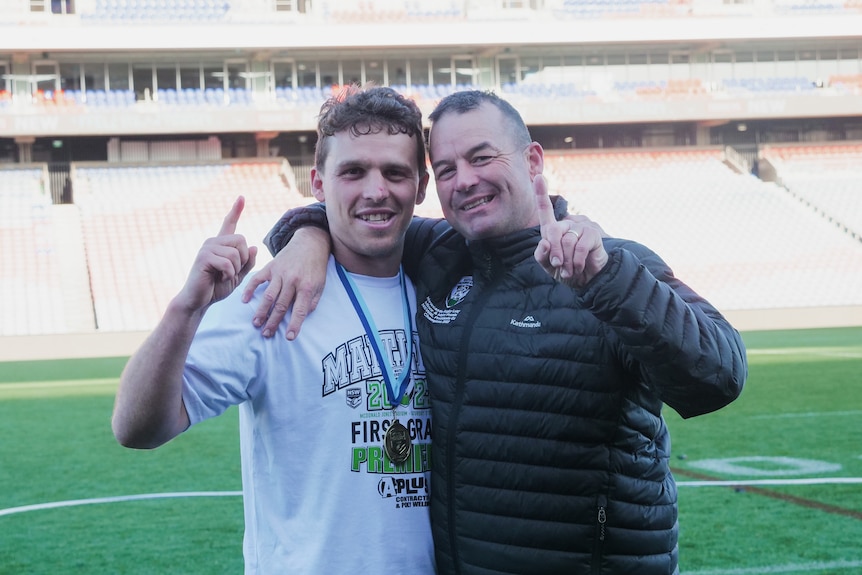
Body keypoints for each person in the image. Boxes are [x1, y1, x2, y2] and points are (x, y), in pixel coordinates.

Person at [245, 89, 748, 575]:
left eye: (482, 158)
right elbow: (357, 214)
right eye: (445, 169)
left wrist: (606, 278)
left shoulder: (612, 263)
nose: (464, 180)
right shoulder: (438, 251)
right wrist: (307, 235)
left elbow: (717, 378)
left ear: (532, 161)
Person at [111, 86, 436, 574]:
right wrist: (185, 309)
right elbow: (137, 428)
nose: (376, 190)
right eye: (353, 171)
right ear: (318, 184)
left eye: (395, 172)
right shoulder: (270, 298)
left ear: (422, 185)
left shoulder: (445, 294)